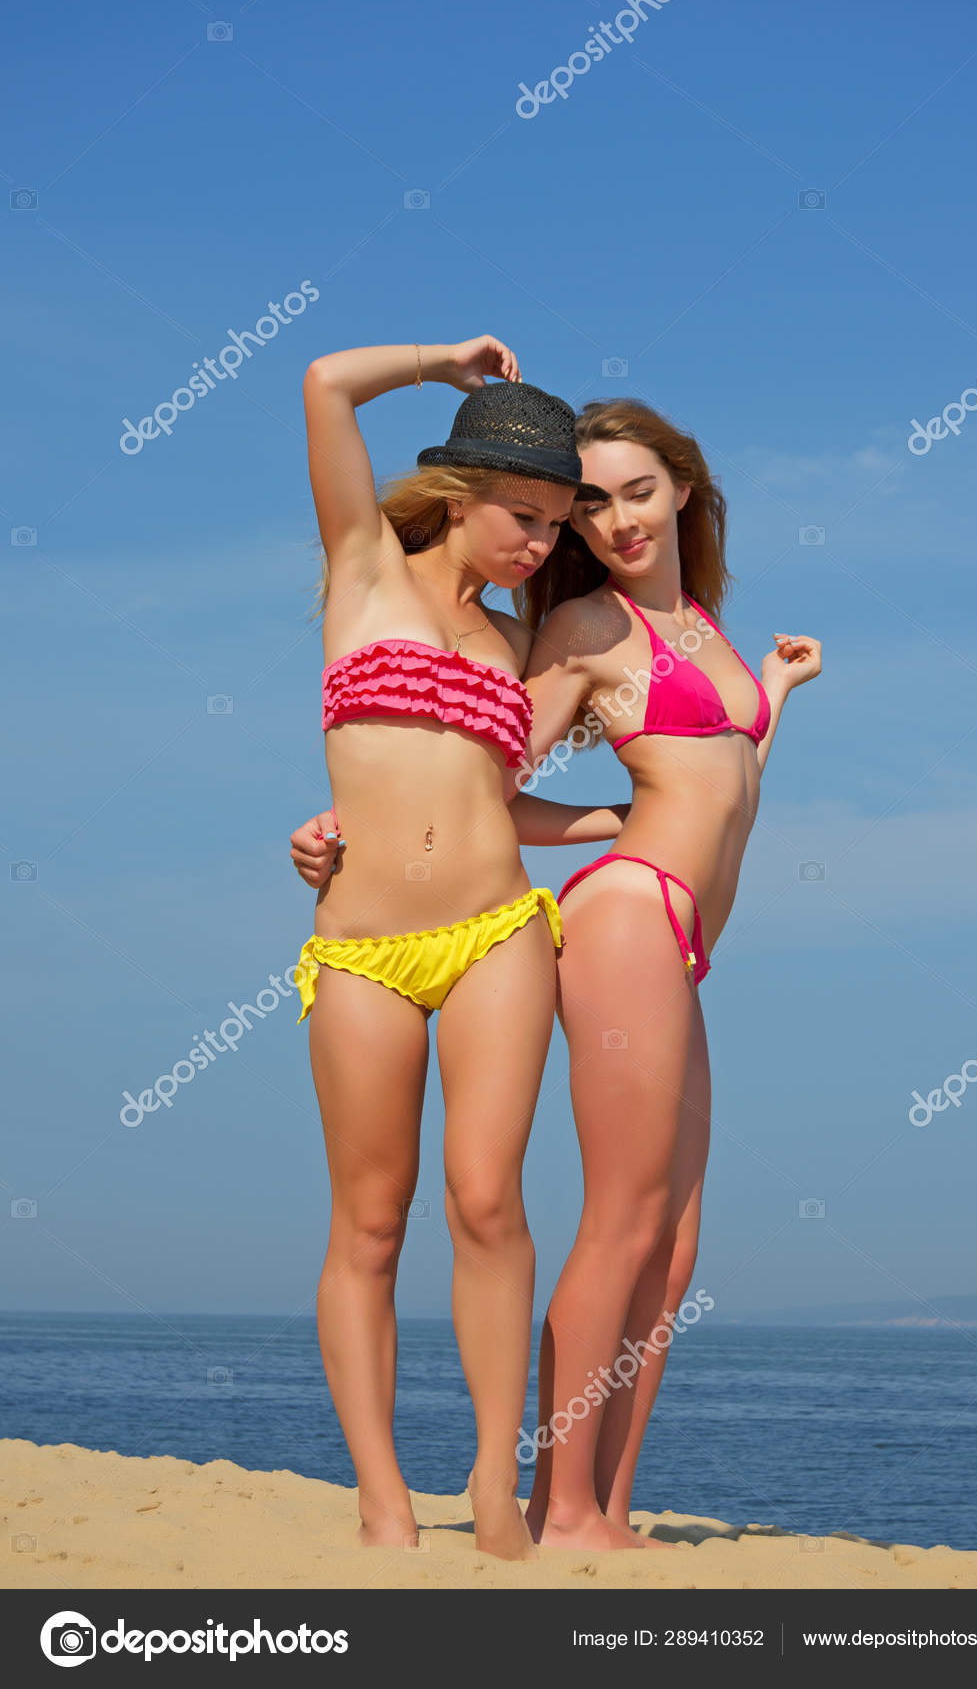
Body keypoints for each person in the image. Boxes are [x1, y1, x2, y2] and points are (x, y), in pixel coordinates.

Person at [291, 391, 821, 1553]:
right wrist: (356, 822)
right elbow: (479, 772)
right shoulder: (582, 627)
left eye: (638, 492)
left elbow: (717, 776)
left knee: (673, 1245)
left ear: (686, 487)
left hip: (686, 932)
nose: (614, 520)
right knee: (620, 1220)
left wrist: (772, 694)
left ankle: (604, 1504)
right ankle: (561, 1503)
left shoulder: (706, 634)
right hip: (630, 912)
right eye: (592, 508)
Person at [295, 333, 624, 1560]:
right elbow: (325, 381)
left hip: (496, 930)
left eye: (555, 528)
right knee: (369, 1220)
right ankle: (384, 1497)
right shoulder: (361, 569)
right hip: (362, 948)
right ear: (460, 493)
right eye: (525, 516)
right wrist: (445, 362)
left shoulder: (512, 647)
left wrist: (633, 821)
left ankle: (495, 1478)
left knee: (487, 1198)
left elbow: (498, 805)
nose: (539, 544)